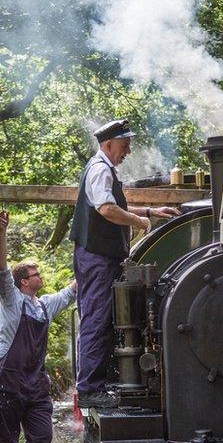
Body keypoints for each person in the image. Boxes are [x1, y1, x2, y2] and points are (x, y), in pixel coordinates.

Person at [69, 119, 179, 408]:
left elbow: (113, 205)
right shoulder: (99, 170)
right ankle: (90, 390)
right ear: (108, 145)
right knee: (96, 319)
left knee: (101, 318)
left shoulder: (104, 169)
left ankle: (97, 383)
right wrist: (140, 221)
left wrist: (151, 211)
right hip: (98, 258)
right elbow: (107, 209)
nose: (128, 151)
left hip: (99, 257)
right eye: (124, 145)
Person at [0, 210, 77, 443]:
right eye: (37, 273)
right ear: (24, 282)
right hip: (7, 379)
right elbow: (1, 268)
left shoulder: (45, 306)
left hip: (35, 384)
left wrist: (95, 258)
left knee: (42, 435)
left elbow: (72, 291)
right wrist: (2, 232)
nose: (42, 276)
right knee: (4, 442)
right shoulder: (11, 300)